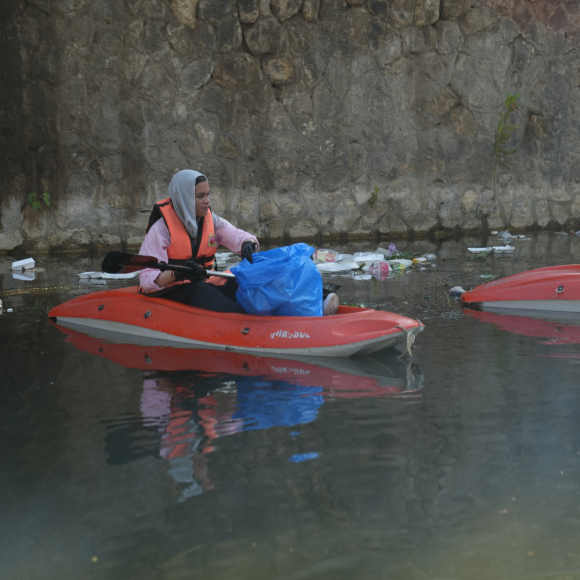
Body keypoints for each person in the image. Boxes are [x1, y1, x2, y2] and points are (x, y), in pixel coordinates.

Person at [138, 169, 339, 315]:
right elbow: (147, 279)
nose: (207, 201)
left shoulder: (209, 218)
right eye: (200, 196)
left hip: (203, 279)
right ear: (184, 198)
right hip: (172, 289)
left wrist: (247, 243)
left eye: (208, 195)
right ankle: (248, 321)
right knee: (201, 291)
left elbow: (232, 233)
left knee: (244, 282)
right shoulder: (161, 229)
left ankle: (308, 306)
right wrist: (177, 273)